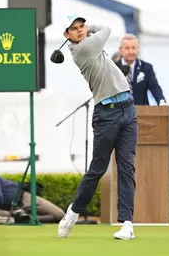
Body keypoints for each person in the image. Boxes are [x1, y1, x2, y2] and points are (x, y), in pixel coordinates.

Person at [56, 13, 137, 240]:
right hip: (106, 115)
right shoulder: (83, 49)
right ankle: (73, 213)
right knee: (98, 169)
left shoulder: (86, 43)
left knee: (127, 167)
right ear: (66, 35)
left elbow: (102, 30)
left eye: (82, 26)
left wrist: (84, 27)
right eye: (75, 28)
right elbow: (106, 29)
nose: (81, 30)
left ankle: (127, 224)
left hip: (128, 109)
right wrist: (91, 28)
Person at [114, 34, 166, 105]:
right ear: (120, 50)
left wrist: (162, 102)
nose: (131, 52)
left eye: (133, 48)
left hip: (142, 112)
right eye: (127, 48)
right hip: (119, 112)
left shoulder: (146, 68)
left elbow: (155, 88)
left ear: (138, 49)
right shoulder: (113, 68)